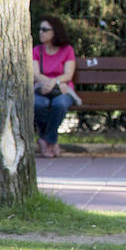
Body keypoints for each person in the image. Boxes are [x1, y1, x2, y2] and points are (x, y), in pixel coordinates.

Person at [33, 15, 77, 158]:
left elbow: (68, 74)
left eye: (45, 29)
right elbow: (35, 74)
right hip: (42, 89)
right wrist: (50, 83)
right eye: (40, 29)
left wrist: (54, 83)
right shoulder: (37, 50)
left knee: (60, 104)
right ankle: (52, 141)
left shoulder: (67, 50)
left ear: (55, 32)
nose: (41, 32)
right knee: (39, 103)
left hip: (62, 90)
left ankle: (46, 140)